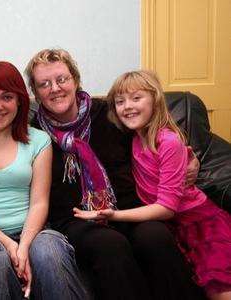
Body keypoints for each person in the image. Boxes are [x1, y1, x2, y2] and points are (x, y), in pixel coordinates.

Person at [25, 48, 206, 300]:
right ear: (36, 93)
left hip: (129, 210)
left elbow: (152, 132)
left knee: (155, 236)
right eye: (44, 84)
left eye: (61, 79)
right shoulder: (35, 135)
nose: (55, 88)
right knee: (110, 245)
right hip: (76, 220)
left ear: (75, 80)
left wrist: (190, 156)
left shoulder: (108, 114)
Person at [75, 70, 231, 300]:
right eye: (120, 102)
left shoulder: (168, 141)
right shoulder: (133, 136)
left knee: (218, 287)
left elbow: (167, 207)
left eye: (136, 98)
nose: (127, 106)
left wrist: (114, 215)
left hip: (197, 221)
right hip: (171, 226)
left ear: (155, 100)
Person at [0, 61, 90, 300]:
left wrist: (23, 245)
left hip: (35, 232)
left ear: (20, 100)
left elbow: (39, 202)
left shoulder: (38, 141)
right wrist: (9, 245)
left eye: (7, 97)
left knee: (49, 253)